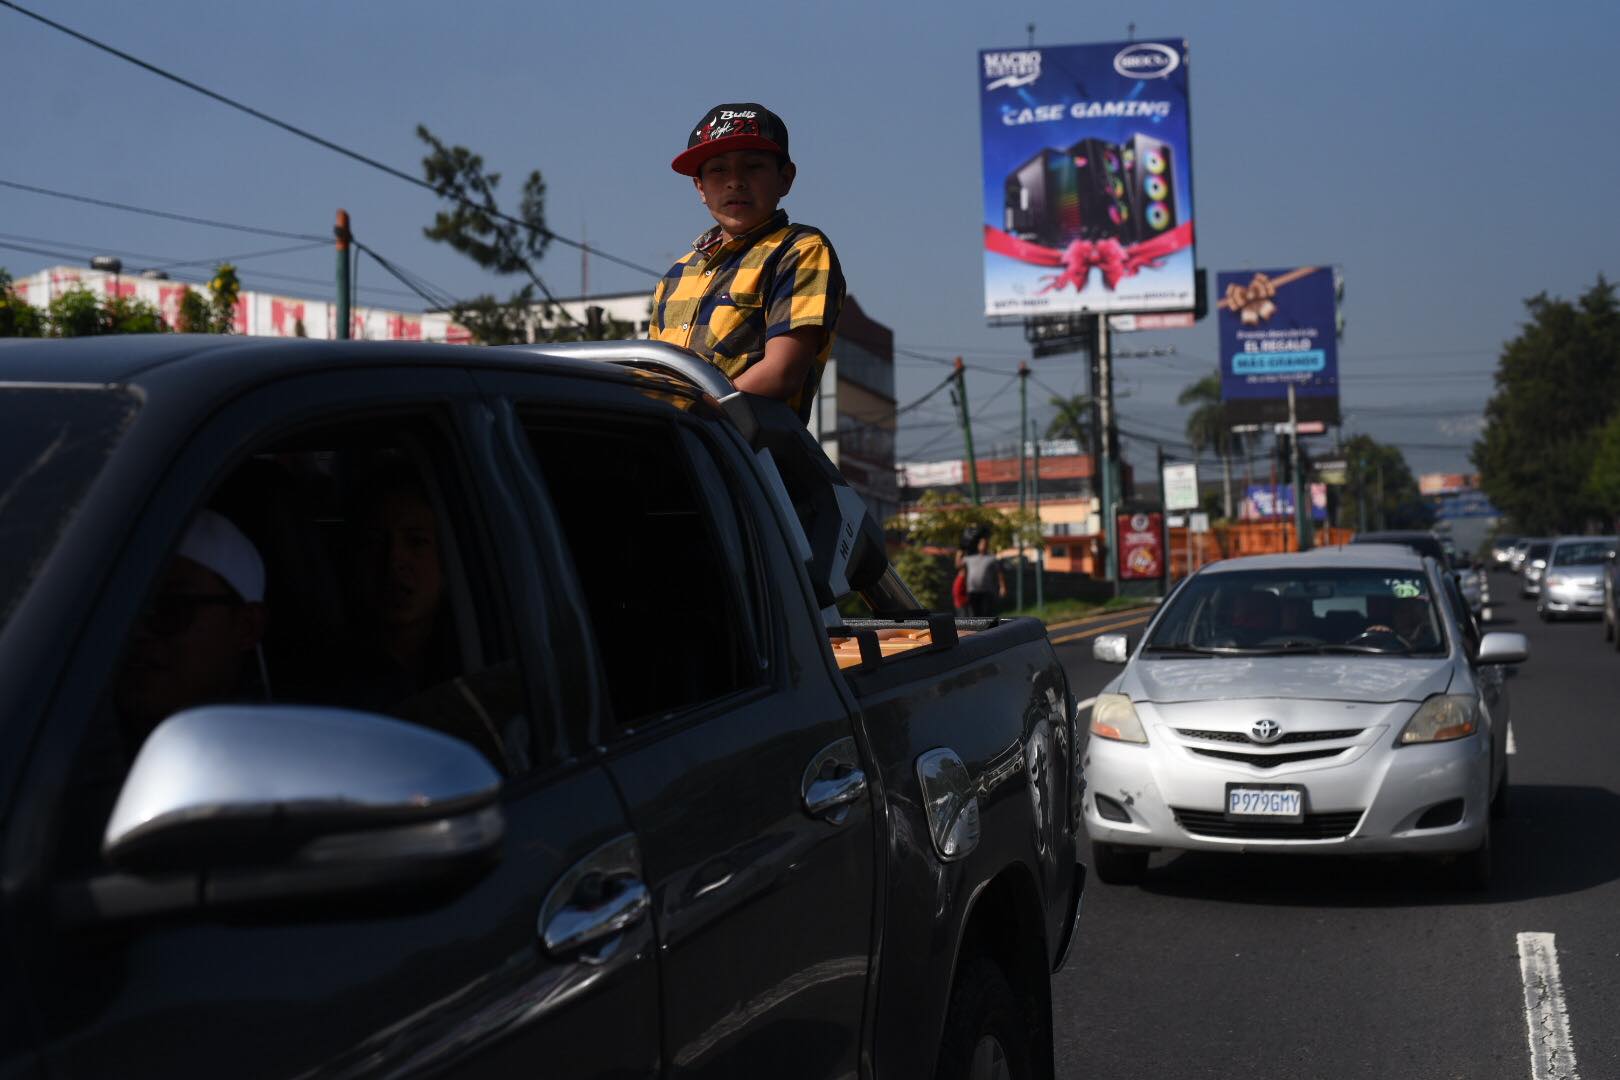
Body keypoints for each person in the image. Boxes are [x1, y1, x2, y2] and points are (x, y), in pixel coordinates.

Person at [650, 102, 846, 423]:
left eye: (753, 167)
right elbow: (655, 374)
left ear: (785, 179)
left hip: (753, 457)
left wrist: (698, 415)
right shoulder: (675, 276)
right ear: (700, 187)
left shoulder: (799, 250)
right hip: (679, 448)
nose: (735, 181)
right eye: (718, 170)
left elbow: (782, 372)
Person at [114, 509, 268, 742]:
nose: (138, 632)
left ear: (247, 626)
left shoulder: (274, 752)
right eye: (125, 612)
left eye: (170, 608)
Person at [958, 535, 1007, 618]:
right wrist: (961, 550)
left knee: (986, 616)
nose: (983, 545)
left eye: (985, 544)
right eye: (981, 544)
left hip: (986, 591)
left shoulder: (992, 558)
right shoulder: (970, 558)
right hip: (972, 591)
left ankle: (988, 631)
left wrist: (1003, 587)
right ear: (978, 545)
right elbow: (958, 564)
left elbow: (999, 573)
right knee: (974, 616)